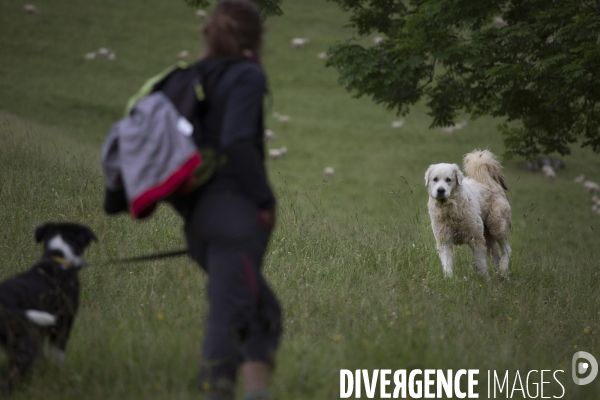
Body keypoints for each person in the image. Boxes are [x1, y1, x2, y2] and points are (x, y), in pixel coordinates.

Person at [172, 1, 282, 399]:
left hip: (199, 220)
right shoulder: (246, 76)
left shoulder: (197, 75)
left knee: (262, 313)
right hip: (235, 220)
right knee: (230, 315)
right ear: (258, 36)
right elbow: (237, 140)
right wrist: (265, 201)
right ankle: (215, 392)